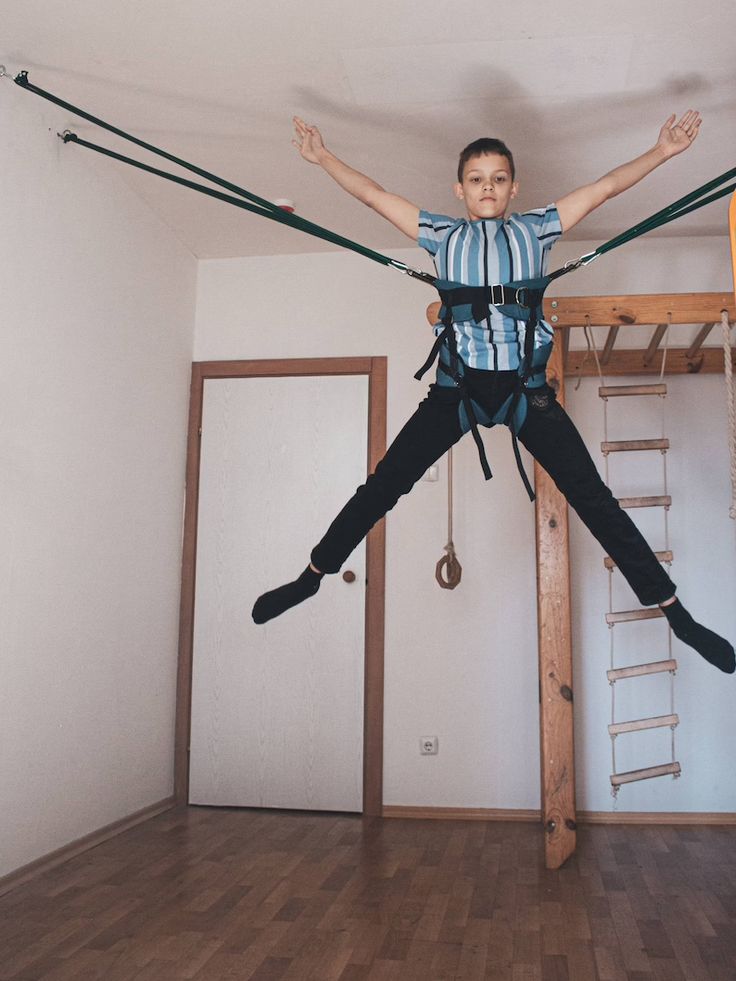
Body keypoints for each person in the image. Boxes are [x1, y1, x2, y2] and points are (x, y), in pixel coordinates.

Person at [252, 111, 735, 675]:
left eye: (499, 177)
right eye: (477, 178)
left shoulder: (538, 227)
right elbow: (374, 195)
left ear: (514, 186)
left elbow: (603, 189)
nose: (488, 186)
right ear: (460, 189)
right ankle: (312, 575)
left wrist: (663, 151)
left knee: (594, 500)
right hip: (455, 391)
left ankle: (674, 611)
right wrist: (323, 159)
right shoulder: (440, 232)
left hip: (527, 393)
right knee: (383, 485)